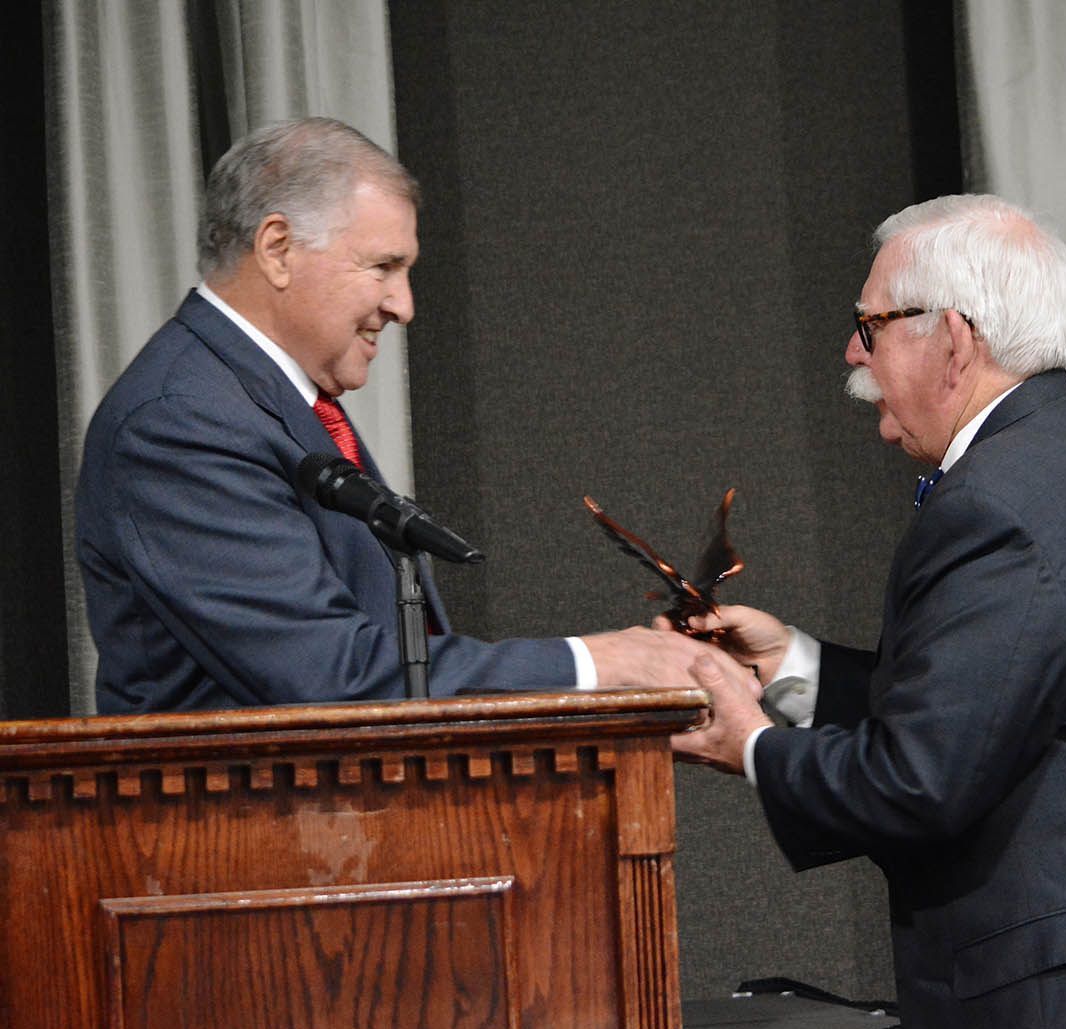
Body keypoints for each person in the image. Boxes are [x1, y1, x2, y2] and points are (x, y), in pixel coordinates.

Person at [672, 194, 1066, 1029]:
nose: (853, 352)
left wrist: (747, 742)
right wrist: (787, 663)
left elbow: (920, 781)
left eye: (870, 324)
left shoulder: (1001, 505)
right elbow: (982, 712)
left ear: (953, 341)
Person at [76, 117, 736, 715]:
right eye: (385, 266)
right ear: (277, 247)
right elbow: (334, 675)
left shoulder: (274, 399)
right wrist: (599, 664)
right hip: (238, 839)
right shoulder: (180, 422)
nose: (405, 305)